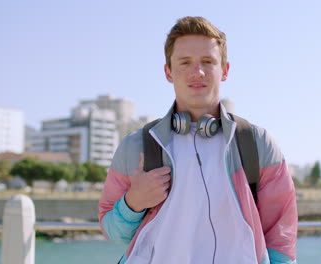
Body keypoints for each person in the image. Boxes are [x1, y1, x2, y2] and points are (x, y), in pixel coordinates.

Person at [98, 16, 298, 264]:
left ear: (224, 70)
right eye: (185, 63)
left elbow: (281, 239)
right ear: (168, 72)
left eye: (207, 61)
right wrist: (133, 203)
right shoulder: (136, 146)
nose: (197, 72)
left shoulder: (257, 143)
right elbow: (112, 233)